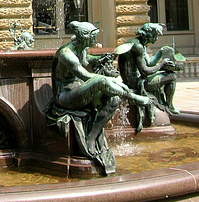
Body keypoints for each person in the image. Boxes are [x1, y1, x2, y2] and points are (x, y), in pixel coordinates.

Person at [48, 21, 150, 172]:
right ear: (84, 37)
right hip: (65, 96)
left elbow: (86, 59)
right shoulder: (66, 54)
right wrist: (112, 80)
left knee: (114, 98)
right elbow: (86, 76)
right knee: (101, 81)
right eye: (92, 38)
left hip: (78, 90)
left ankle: (91, 137)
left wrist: (100, 58)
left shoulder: (81, 47)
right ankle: (132, 97)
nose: (94, 41)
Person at [117, 22, 183, 131]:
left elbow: (150, 63)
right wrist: (161, 65)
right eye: (155, 35)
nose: (156, 39)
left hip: (137, 79)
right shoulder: (137, 47)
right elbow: (145, 71)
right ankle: (170, 105)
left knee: (167, 73)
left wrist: (161, 52)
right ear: (148, 35)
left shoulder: (139, 44)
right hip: (137, 83)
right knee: (171, 76)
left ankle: (168, 104)